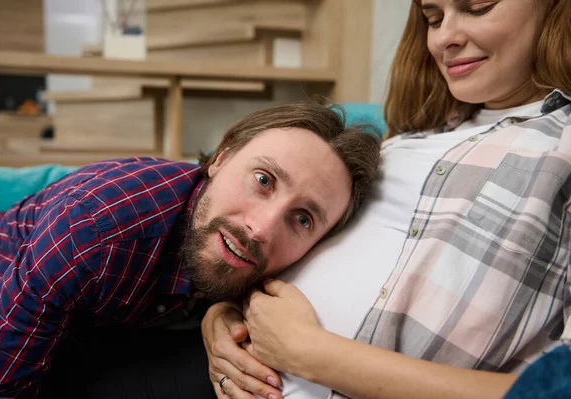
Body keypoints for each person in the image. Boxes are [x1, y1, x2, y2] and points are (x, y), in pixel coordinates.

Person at [202, 0, 571, 398]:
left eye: (477, 7)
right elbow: (281, 239)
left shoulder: (560, 149)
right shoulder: (402, 144)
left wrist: (308, 353)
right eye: (433, 19)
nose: (444, 38)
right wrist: (223, 318)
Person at [0, 102, 381, 398]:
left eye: (303, 219)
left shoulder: (274, 262)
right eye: (263, 180)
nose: (260, 228)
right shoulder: (95, 228)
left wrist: (224, 314)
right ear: (221, 156)